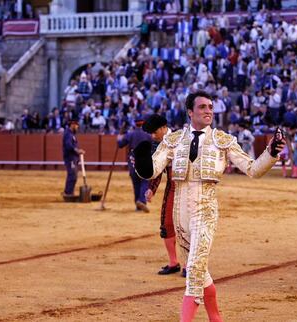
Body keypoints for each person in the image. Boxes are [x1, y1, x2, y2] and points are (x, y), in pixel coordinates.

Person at [134, 91, 285, 321]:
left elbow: (252, 169)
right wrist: (143, 163)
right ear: (190, 112)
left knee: (193, 271)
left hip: (205, 211)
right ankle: (216, 318)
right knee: (200, 273)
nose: (209, 111)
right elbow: (152, 170)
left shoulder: (223, 140)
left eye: (211, 107)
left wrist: (271, 152)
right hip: (180, 215)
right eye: (203, 107)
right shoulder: (173, 140)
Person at [143, 114, 184, 276]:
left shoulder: (182, 139)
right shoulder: (159, 144)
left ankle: (190, 264)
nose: (153, 136)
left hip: (189, 187)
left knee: (187, 227)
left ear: (163, 128)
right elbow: (157, 169)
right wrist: (151, 189)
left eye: (154, 132)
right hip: (172, 188)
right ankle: (173, 262)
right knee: (167, 224)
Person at [117, 117, 152, 213]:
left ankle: (138, 205)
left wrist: (119, 136)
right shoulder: (148, 135)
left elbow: (120, 144)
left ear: (135, 124)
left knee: (136, 184)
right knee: (145, 182)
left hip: (133, 163)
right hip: (145, 162)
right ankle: (141, 201)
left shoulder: (130, 134)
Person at [62, 120, 85, 197]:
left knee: (73, 175)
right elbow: (69, 146)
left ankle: (69, 192)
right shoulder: (68, 134)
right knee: (72, 175)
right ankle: (68, 193)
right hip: (70, 158)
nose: (77, 127)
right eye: (77, 125)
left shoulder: (71, 134)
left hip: (73, 158)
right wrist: (77, 151)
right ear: (72, 125)